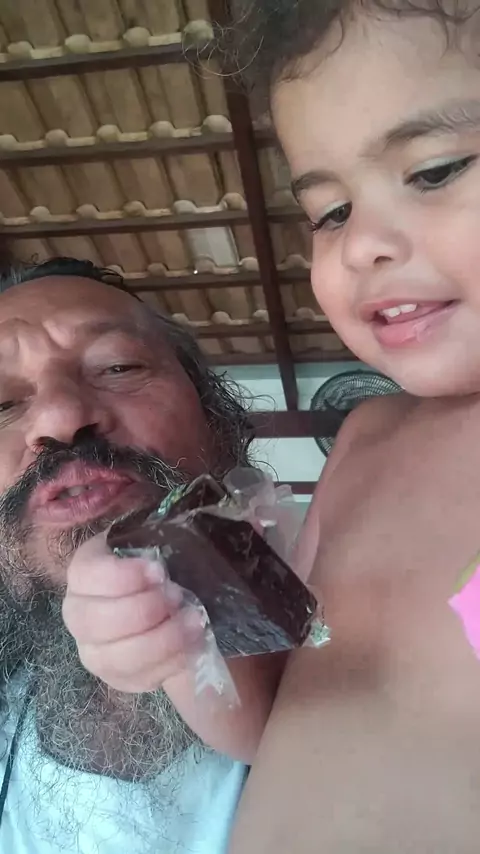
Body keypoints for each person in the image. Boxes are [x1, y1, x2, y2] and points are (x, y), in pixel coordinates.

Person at [224, 2, 480, 852]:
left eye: (435, 171)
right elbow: (267, 722)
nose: (361, 243)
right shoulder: (365, 438)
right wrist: (174, 647)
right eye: (330, 212)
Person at [0, 256, 282, 854]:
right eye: (0, 405)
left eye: (118, 366)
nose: (61, 417)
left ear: (219, 422)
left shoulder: (377, 640)